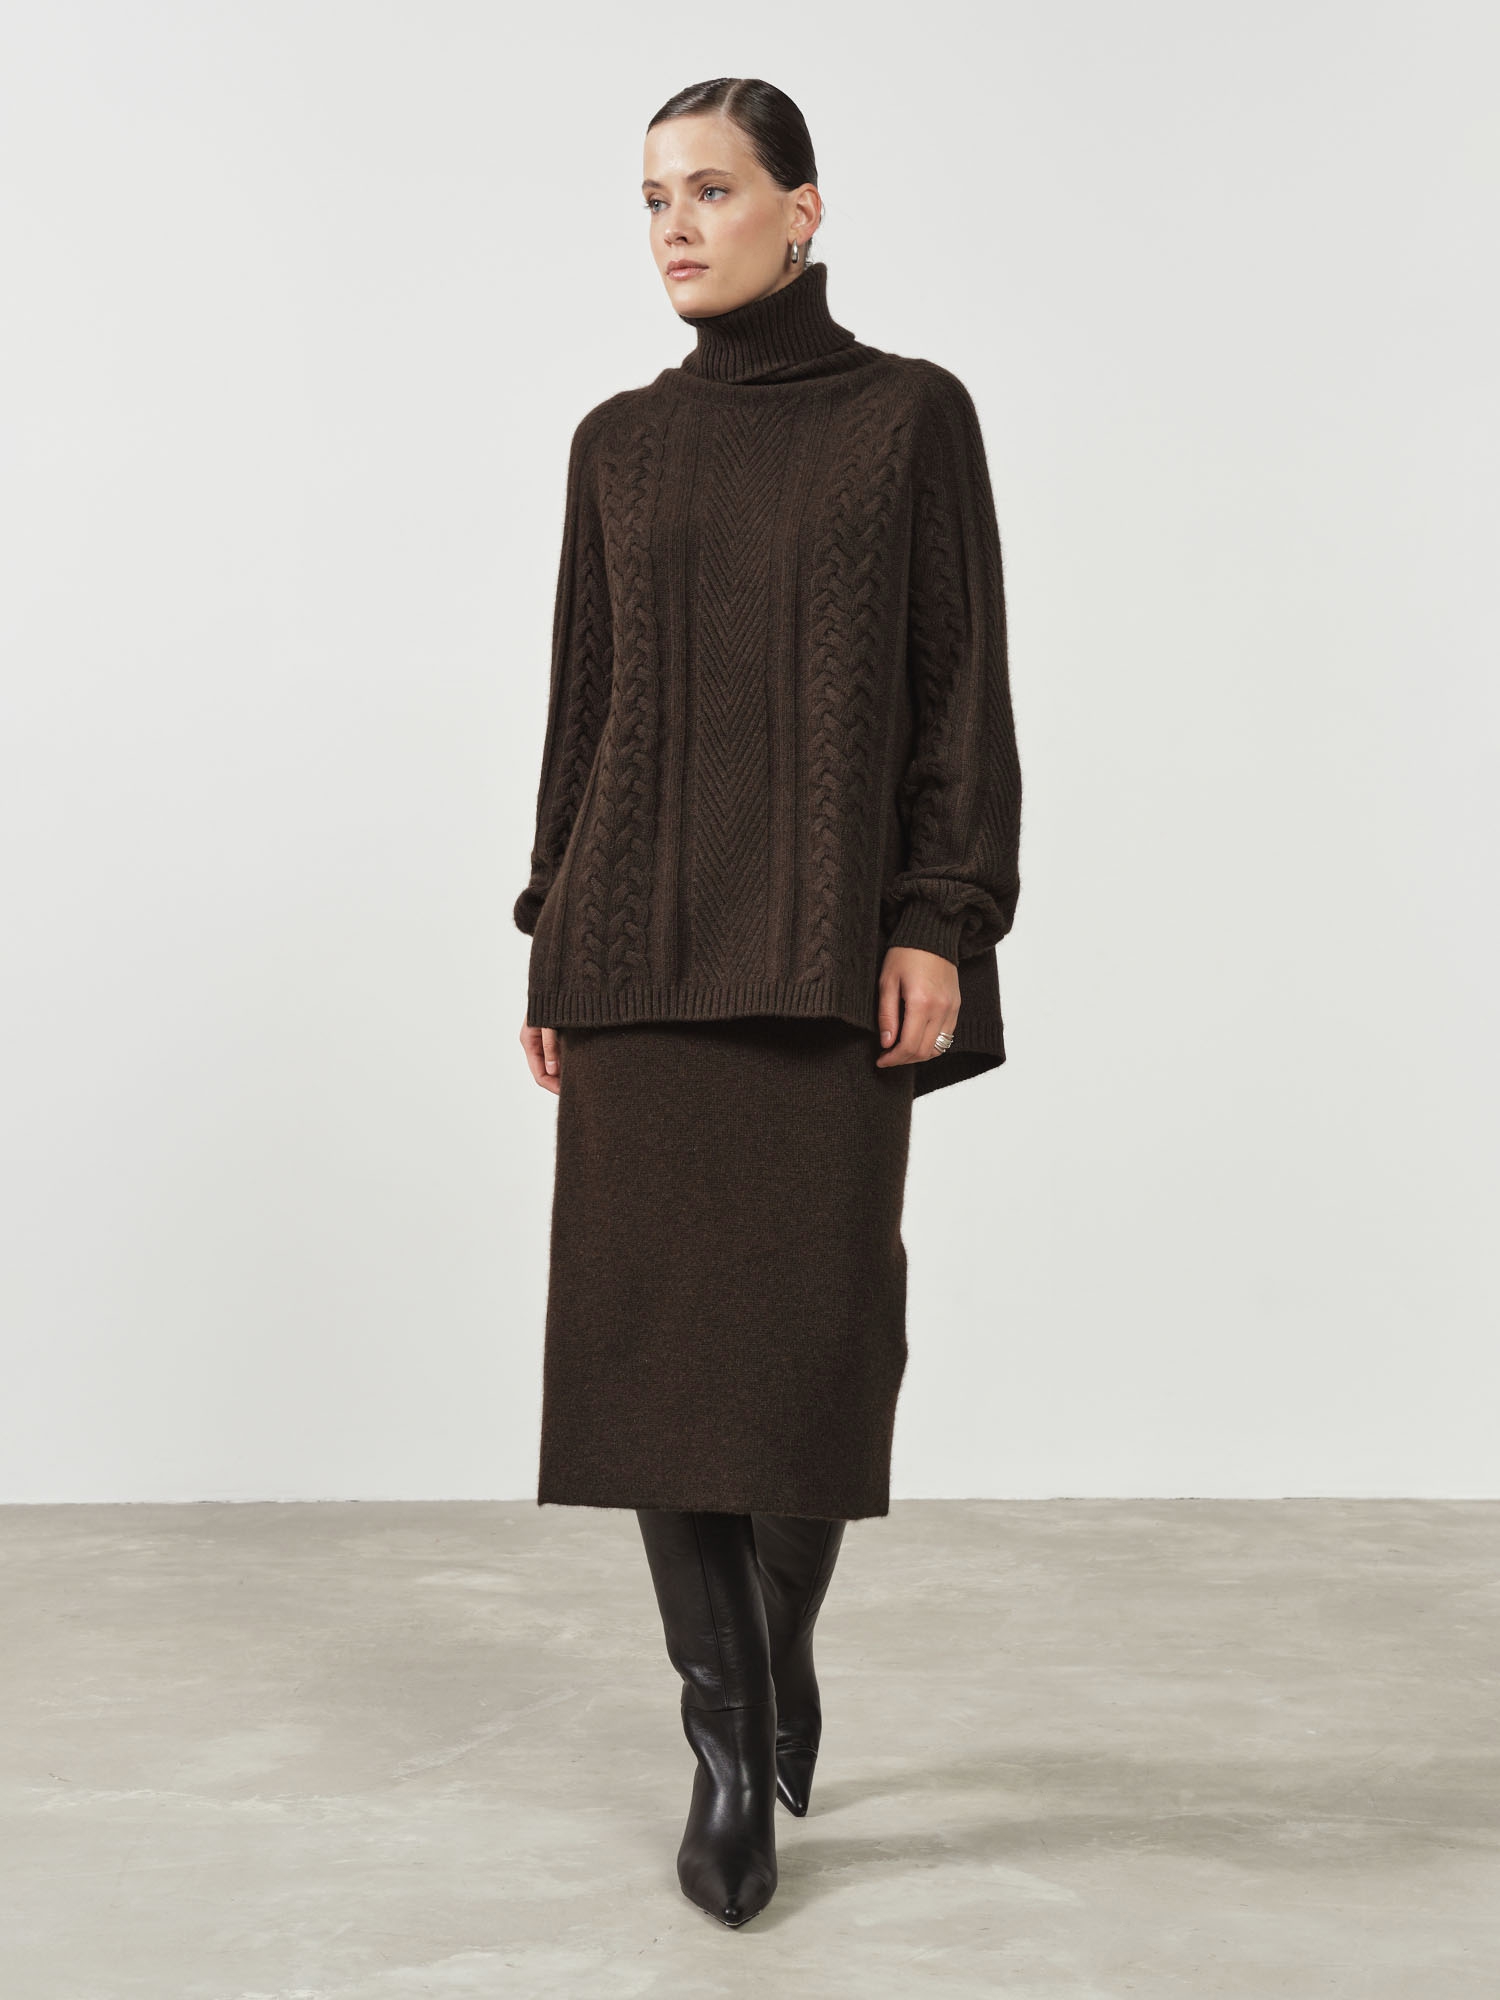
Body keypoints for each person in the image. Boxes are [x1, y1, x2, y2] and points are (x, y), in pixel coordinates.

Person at [512, 76, 1023, 1928]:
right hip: (635, 963)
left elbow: (959, 686)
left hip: (823, 960)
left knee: (815, 1351)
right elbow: (587, 707)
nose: (675, 225)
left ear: (805, 210)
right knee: (659, 1370)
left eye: (712, 190)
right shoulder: (618, 445)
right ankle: (729, 1743)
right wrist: (547, 929)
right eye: (653, 197)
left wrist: (942, 916)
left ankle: (777, 1640)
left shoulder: (910, 417)